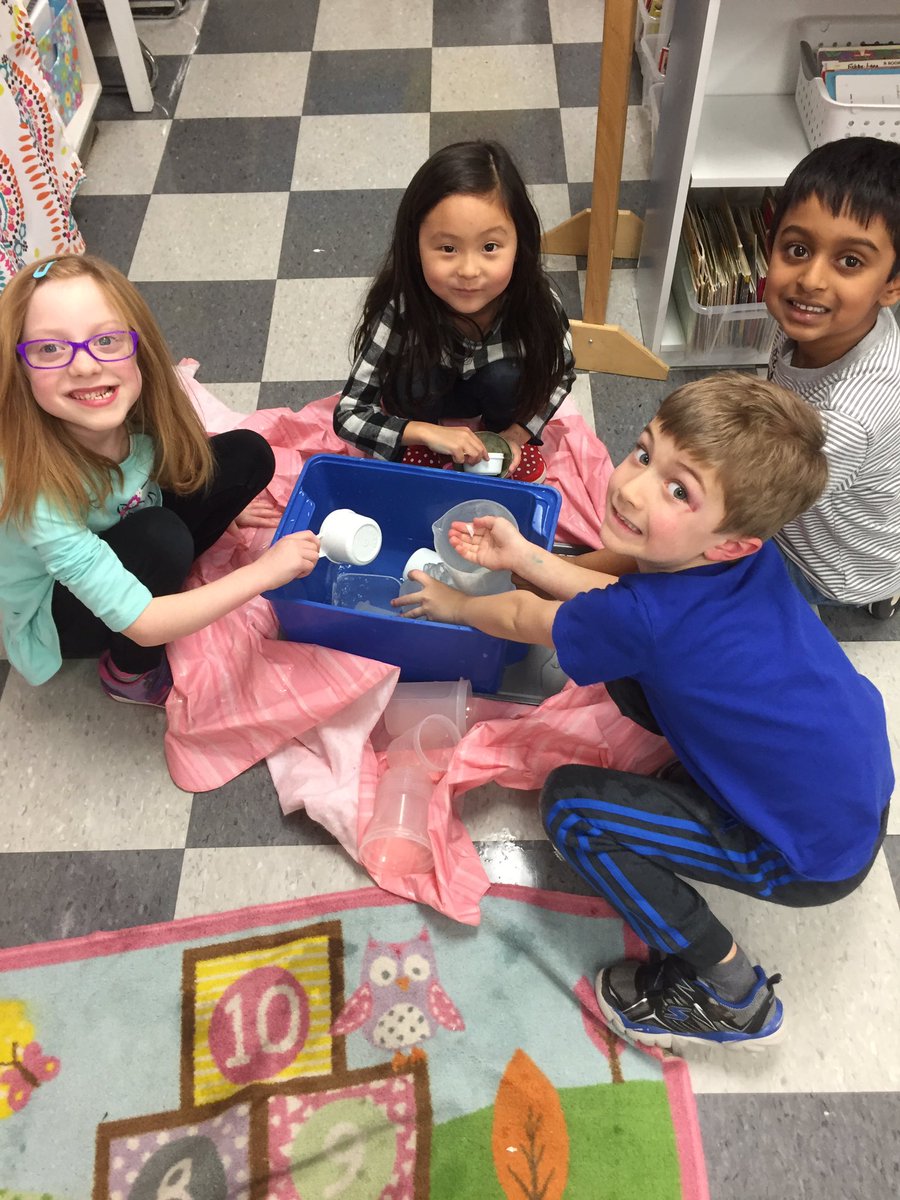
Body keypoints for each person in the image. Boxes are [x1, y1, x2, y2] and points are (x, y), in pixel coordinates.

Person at [395, 373, 892, 1051]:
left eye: (678, 490)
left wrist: (455, 606)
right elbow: (617, 600)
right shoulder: (744, 560)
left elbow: (523, 616)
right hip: (853, 784)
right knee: (630, 672)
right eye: (643, 452)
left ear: (730, 540)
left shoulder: (652, 619)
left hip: (805, 853)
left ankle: (732, 994)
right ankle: (707, 814)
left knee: (572, 809)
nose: (631, 487)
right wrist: (529, 557)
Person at [0, 254, 320, 707]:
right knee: (161, 538)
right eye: (50, 349)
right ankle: (128, 673)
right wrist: (264, 572)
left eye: (106, 340)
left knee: (248, 454)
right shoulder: (37, 496)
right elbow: (145, 623)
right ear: (20, 369)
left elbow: (170, 464)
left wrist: (221, 506)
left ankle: (164, 566)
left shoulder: (138, 411)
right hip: (58, 611)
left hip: (125, 520)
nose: (85, 366)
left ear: (138, 348)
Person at [333, 140, 576, 483]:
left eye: (489, 247)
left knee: (505, 377)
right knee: (416, 375)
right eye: (448, 248)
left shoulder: (538, 304)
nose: (469, 271)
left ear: (520, 244)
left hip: (498, 403)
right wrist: (425, 433)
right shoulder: (402, 307)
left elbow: (560, 375)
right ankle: (425, 450)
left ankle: (500, 442)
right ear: (415, 246)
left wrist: (516, 434)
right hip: (425, 403)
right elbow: (348, 413)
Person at [764, 136, 900, 620]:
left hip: (826, 564)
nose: (811, 280)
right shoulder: (828, 322)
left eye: (850, 261)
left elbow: (744, 504)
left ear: (891, 286)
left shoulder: (846, 417)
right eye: (797, 249)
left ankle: (871, 591)